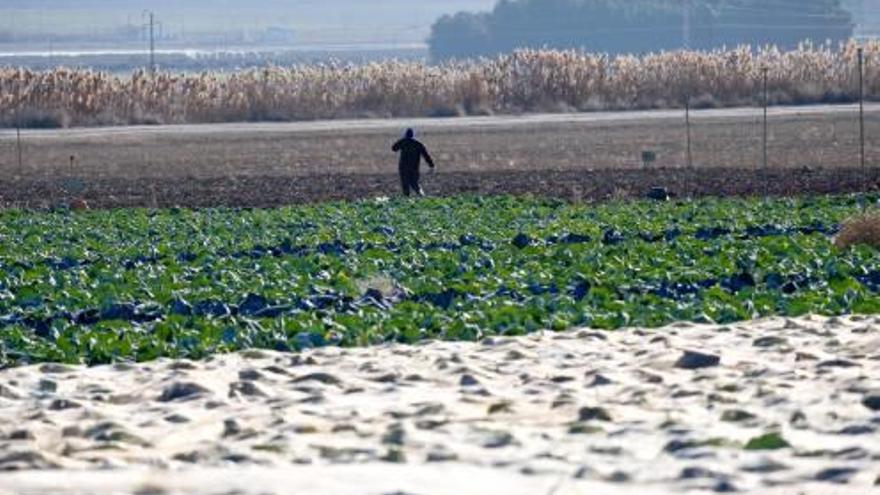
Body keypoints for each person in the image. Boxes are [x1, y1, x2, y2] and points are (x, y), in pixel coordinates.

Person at [392, 128, 435, 197]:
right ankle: (421, 195)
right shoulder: (418, 144)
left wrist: (402, 139)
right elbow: (426, 155)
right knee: (414, 183)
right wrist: (431, 165)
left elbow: (394, 148)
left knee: (405, 184)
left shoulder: (403, 142)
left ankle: (407, 198)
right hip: (414, 167)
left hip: (404, 167)